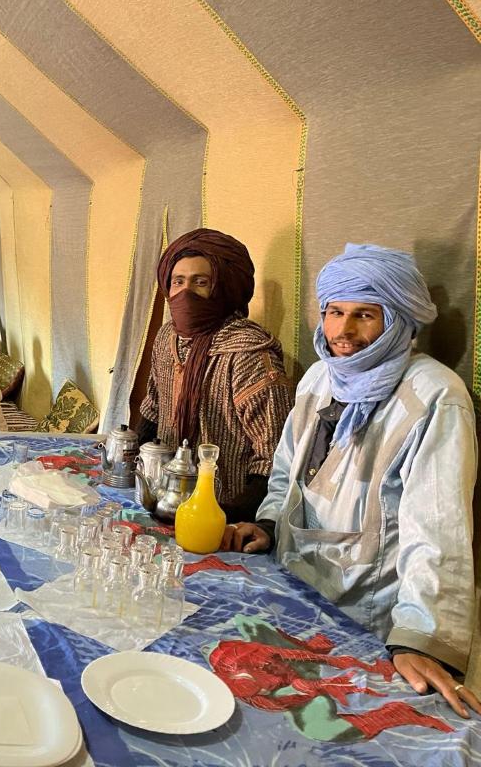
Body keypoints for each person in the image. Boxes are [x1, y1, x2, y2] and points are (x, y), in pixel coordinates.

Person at [220, 243, 479, 719]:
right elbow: (287, 471)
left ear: (400, 319)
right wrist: (270, 523)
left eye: (365, 315)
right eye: (334, 312)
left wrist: (421, 637)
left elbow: (438, 530)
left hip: (369, 616)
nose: (343, 331)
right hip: (295, 589)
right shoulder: (320, 377)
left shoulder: (434, 396)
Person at [137, 228, 293, 523]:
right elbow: (155, 405)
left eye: (200, 282)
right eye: (178, 282)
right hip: (166, 497)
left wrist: (228, 516)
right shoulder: (168, 337)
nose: (186, 293)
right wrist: (128, 453)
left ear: (222, 288)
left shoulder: (247, 353)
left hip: (226, 511)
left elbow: (274, 456)